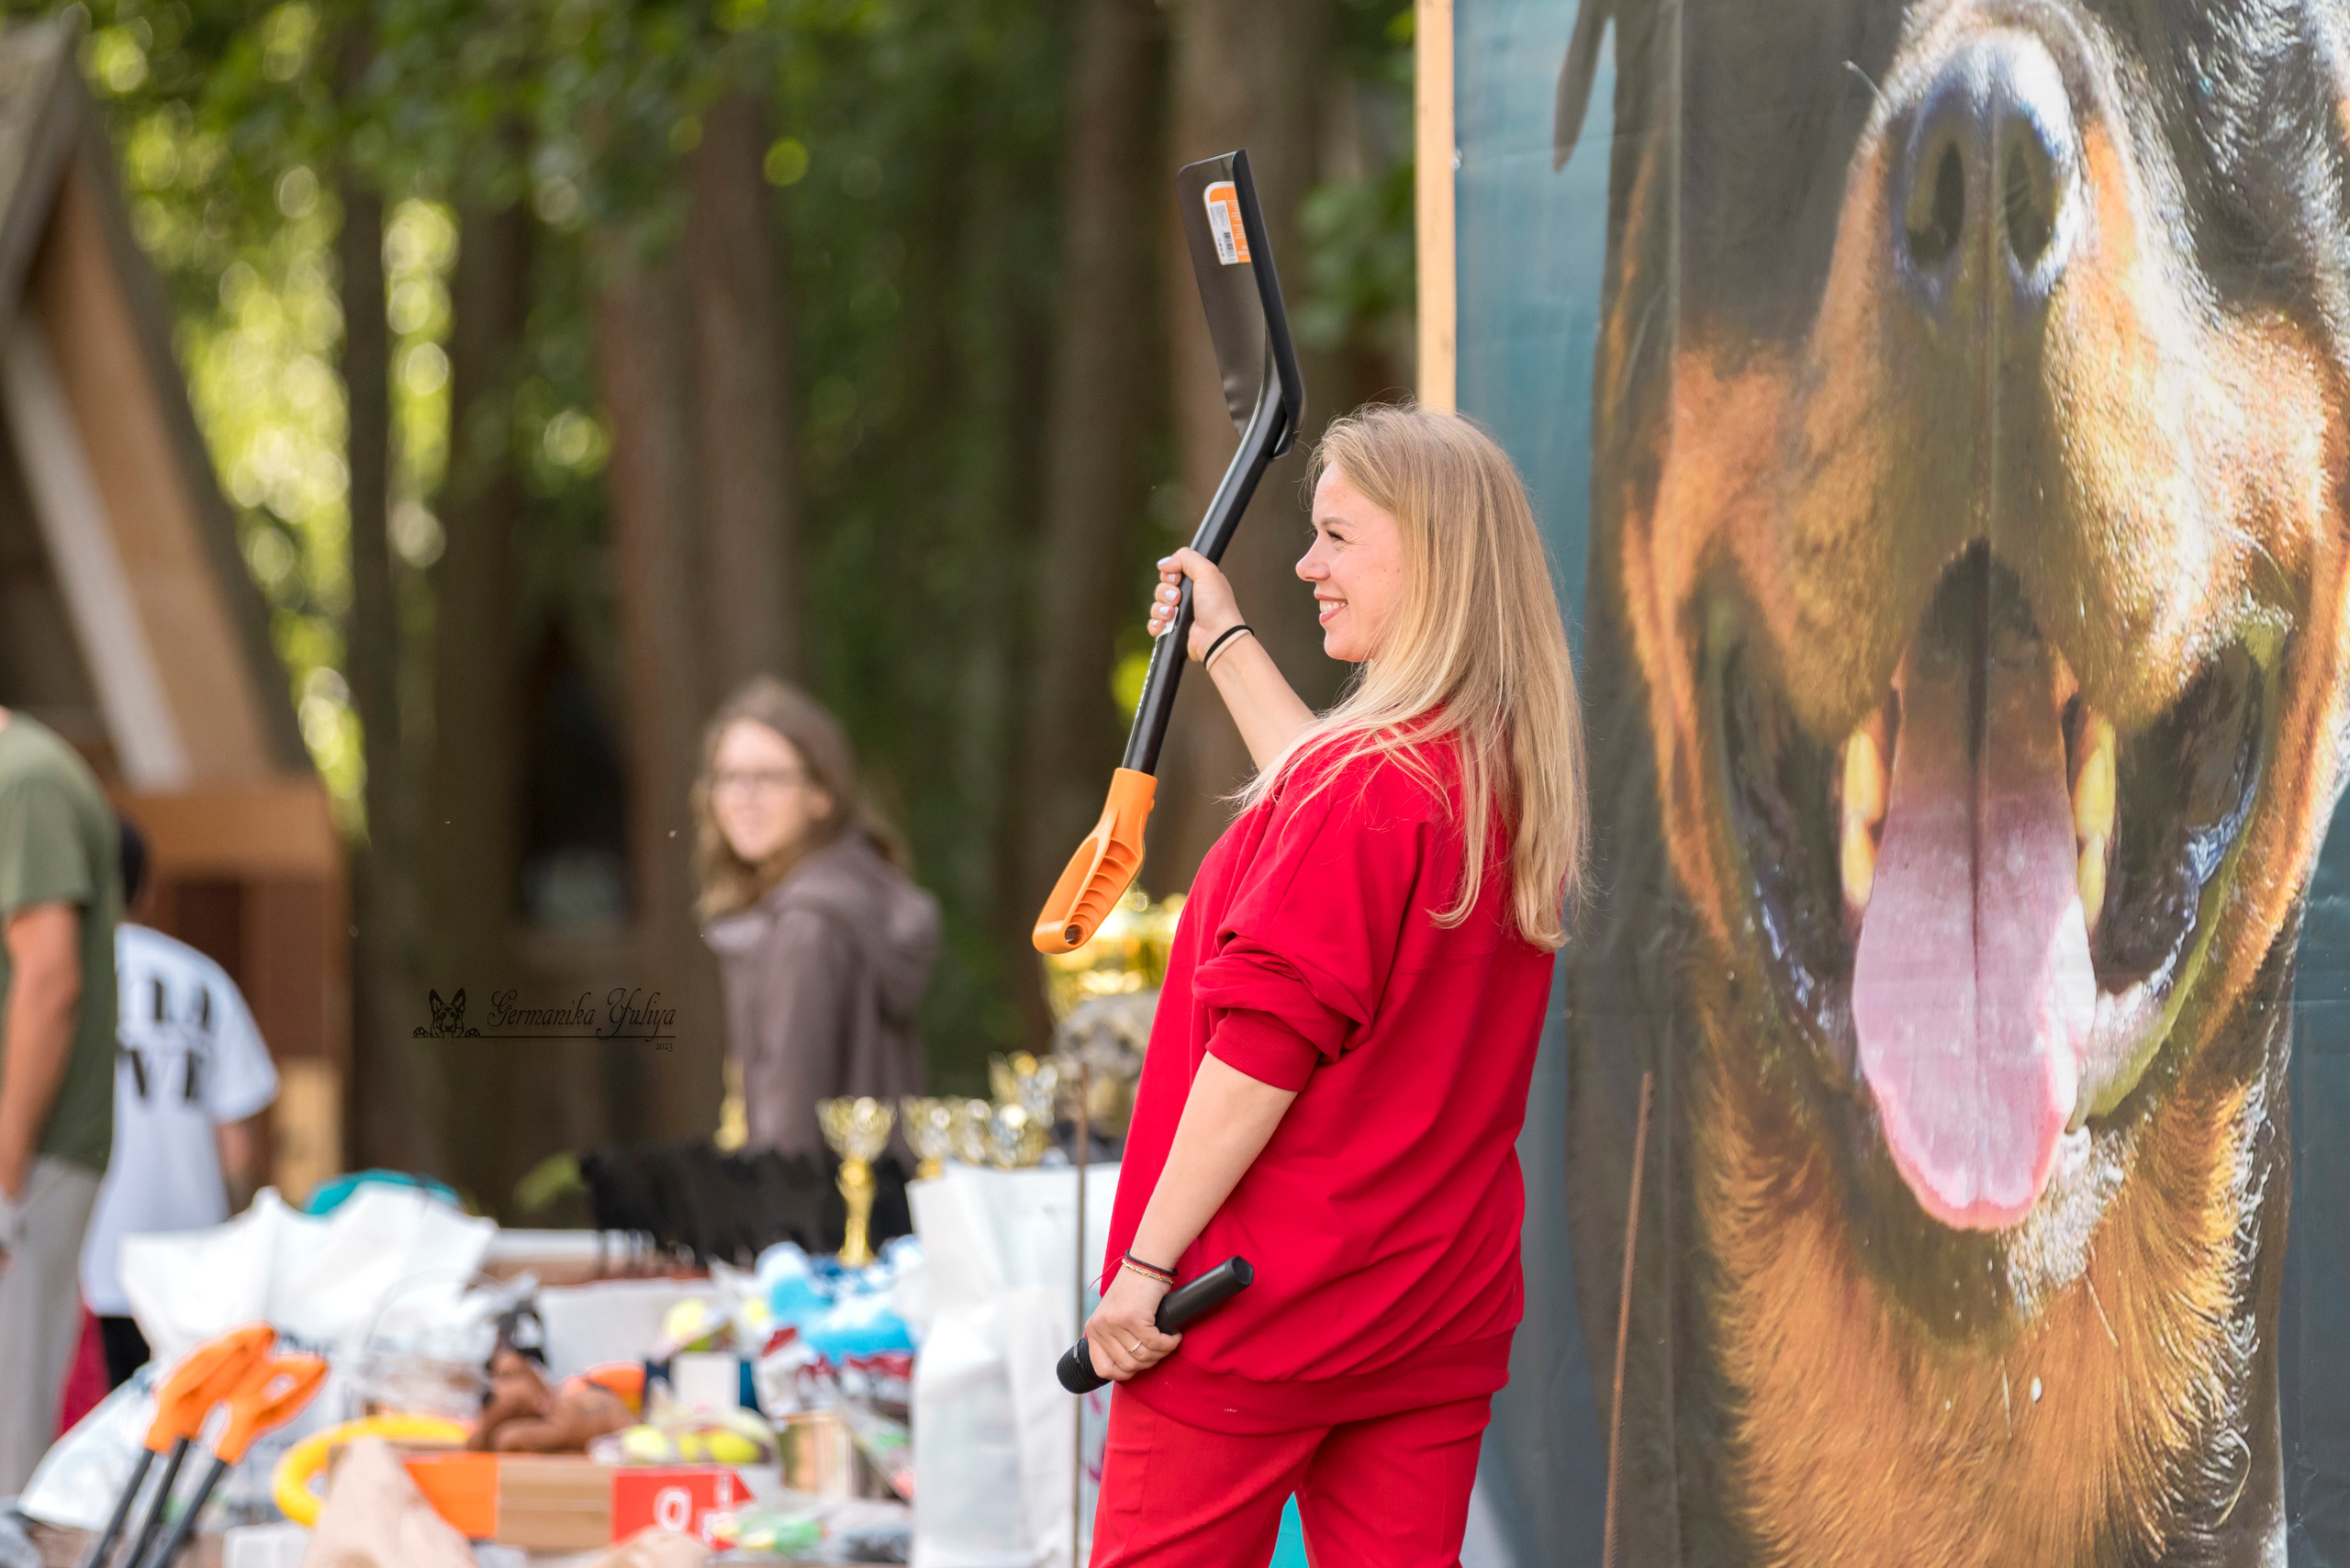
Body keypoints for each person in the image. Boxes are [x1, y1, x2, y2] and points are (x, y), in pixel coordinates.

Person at [1083, 405, 1585, 1566]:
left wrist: (1147, 1276)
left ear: (1434, 556)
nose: (1308, 564)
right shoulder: (1493, 771)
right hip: (1427, 1317)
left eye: (1337, 538)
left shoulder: (1370, 794)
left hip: (1251, 1312)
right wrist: (1222, 638)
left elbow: (1257, 1059)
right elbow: (1324, 795)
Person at [697, 677, 939, 1159]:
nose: (743, 797)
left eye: (767, 778)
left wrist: (767, 1225)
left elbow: (789, 1121)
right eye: (728, 777)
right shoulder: (862, 890)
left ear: (821, 793)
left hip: (819, 1220)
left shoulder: (805, 928)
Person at [79, 817, 278, 1389]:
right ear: (145, 890)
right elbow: (236, 1148)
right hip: (193, 1272)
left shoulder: (48, 982)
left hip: (86, 1267)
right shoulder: (203, 980)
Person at [0, 709, 119, 1493]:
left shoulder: (26, 782)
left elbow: (49, 981)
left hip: (26, 1164)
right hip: (24, 1160)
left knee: (5, 1453)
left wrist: (3, 1177)